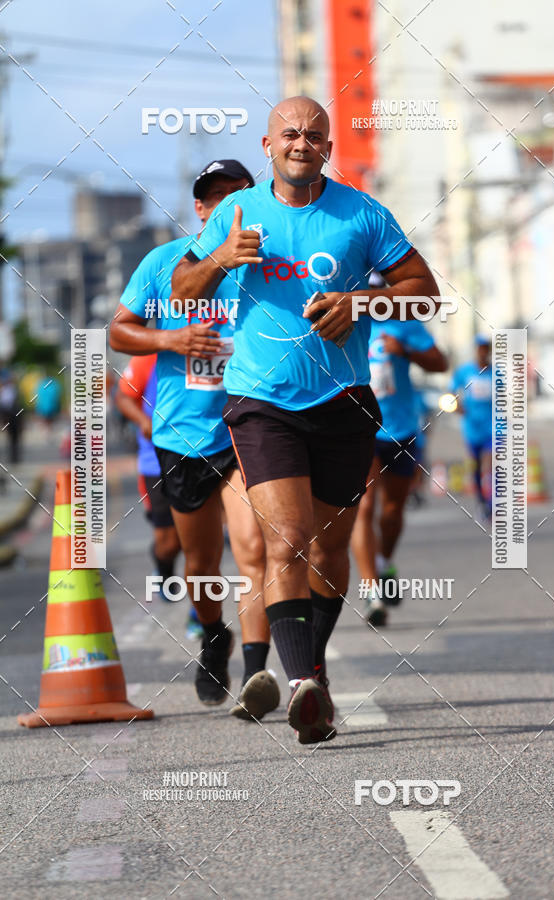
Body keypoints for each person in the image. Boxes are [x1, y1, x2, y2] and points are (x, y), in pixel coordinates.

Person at [170, 96, 441, 743]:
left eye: (314, 135)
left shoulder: (361, 213)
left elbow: (424, 291)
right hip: (262, 402)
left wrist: (361, 300)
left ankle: (308, 668)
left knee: (328, 548)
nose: (301, 143)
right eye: (289, 133)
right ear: (268, 146)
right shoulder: (237, 214)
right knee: (287, 539)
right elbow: (182, 291)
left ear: (327, 147)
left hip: (344, 403)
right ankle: (305, 687)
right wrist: (217, 261)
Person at [109, 160, 279, 721]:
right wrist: (171, 337)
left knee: (254, 548)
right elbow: (118, 331)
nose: (225, 205)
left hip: (249, 424)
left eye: (238, 195)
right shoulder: (163, 264)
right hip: (182, 434)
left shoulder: (270, 264)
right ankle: (214, 637)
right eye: (213, 198)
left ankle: (258, 670)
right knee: (201, 563)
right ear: (200, 209)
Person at [351, 318, 447, 626]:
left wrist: (405, 349)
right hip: (360, 430)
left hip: (401, 430)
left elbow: (439, 363)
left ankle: (385, 562)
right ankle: (371, 591)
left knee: (392, 511)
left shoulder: (404, 323)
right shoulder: (345, 316)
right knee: (363, 506)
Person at [115, 355, 207, 639]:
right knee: (169, 544)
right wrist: (143, 421)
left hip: (206, 456)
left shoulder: (213, 343)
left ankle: (200, 615)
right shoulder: (147, 358)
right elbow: (123, 397)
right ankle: (164, 568)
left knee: (202, 544)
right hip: (157, 462)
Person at [450, 336, 493, 519]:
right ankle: (481, 501)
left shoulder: (496, 373)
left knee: (492, 464)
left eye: (486, 348)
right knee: (475, 466)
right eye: (480, 348)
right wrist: (456, 405)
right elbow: (451, 392)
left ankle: (493, 503)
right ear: (476, 350)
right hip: (471, 427)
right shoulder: (465, 371)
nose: (483, 352)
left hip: (492, 426)